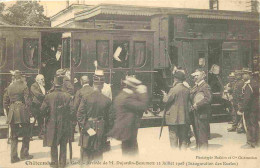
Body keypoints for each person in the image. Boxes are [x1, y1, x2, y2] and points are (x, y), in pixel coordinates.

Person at [108, 76, 148, 156]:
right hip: (128, 130)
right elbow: (142, 106)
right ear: (132, 88)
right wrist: (143, 93)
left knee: (127, 151)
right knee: (131, 154)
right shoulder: (127, 98)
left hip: (125, 129)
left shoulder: (122, 95)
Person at [77, 70, 112, 162]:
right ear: (103, 85)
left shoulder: (86, 97)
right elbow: (109, 119)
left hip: (87, 129)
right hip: (101, 130)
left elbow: (80, 115)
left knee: (85, 157)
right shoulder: (107, 100)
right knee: (98, 158)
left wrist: (87, 128)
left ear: (93, 83)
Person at [40, 75, 72, 168]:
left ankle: (54, 164)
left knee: (53, 145)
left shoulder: (48, 96)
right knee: (63, 145)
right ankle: (62, 164)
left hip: (52, 123)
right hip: (64, 124)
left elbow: (42, 110)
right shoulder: (68, 96)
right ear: (62, 85)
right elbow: (72, 110)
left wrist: (48, 116)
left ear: (54, 85)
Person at [3, 70, 33, 163]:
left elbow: (5, 102)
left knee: (14, 135)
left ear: (14, 78)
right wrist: (29, 113)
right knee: (26, 133)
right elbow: (27, 101)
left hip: (12, 111)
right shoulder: (24, 86)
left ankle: (14, 157)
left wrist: (8, 113)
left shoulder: (9, 87)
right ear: (20, 77)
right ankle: (24, 154)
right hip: (22, 111)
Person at [162, 70, 190, 149]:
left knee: (173, 137)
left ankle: (174, 156)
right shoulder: (187, 89)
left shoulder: (173, 89)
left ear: (176, 79)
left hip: (173, 118)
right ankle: (182, 155)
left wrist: (164, 95)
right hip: (184, 118)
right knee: (183, 138)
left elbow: (166, 100)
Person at [190, 70, 212, 150]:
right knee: (197, 131)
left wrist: (197, 105)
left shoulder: (205, 86)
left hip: (202, 113)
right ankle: (199, 147)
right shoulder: (196, 86)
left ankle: (203, 151)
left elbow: (208, 99)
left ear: (203, 76)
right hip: (196, 113)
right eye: (194, 76)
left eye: (197, 75)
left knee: (202, 133)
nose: (195, 77)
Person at [240, 70, 259, 148]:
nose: (242, 76)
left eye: (244, 74)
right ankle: (257, 142)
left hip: (250, 109)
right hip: (254, 108)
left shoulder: (250, 85)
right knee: (255, 125)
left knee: (249, 125)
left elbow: (247, 99)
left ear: (249, 75)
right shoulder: (254, 83)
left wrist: (241, 109)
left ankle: (251, 143)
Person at [30, 74, 46, 139]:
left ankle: (40, 134)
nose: (43, 80)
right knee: (33, 121)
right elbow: (37, 94)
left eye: (43, 79)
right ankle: (29, 135)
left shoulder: (42, 86)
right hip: (35, 106)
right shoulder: (34, 86)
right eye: (42, 79)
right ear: (37, 80)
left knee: (41, 120)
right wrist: (46, 96)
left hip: (41, 106)